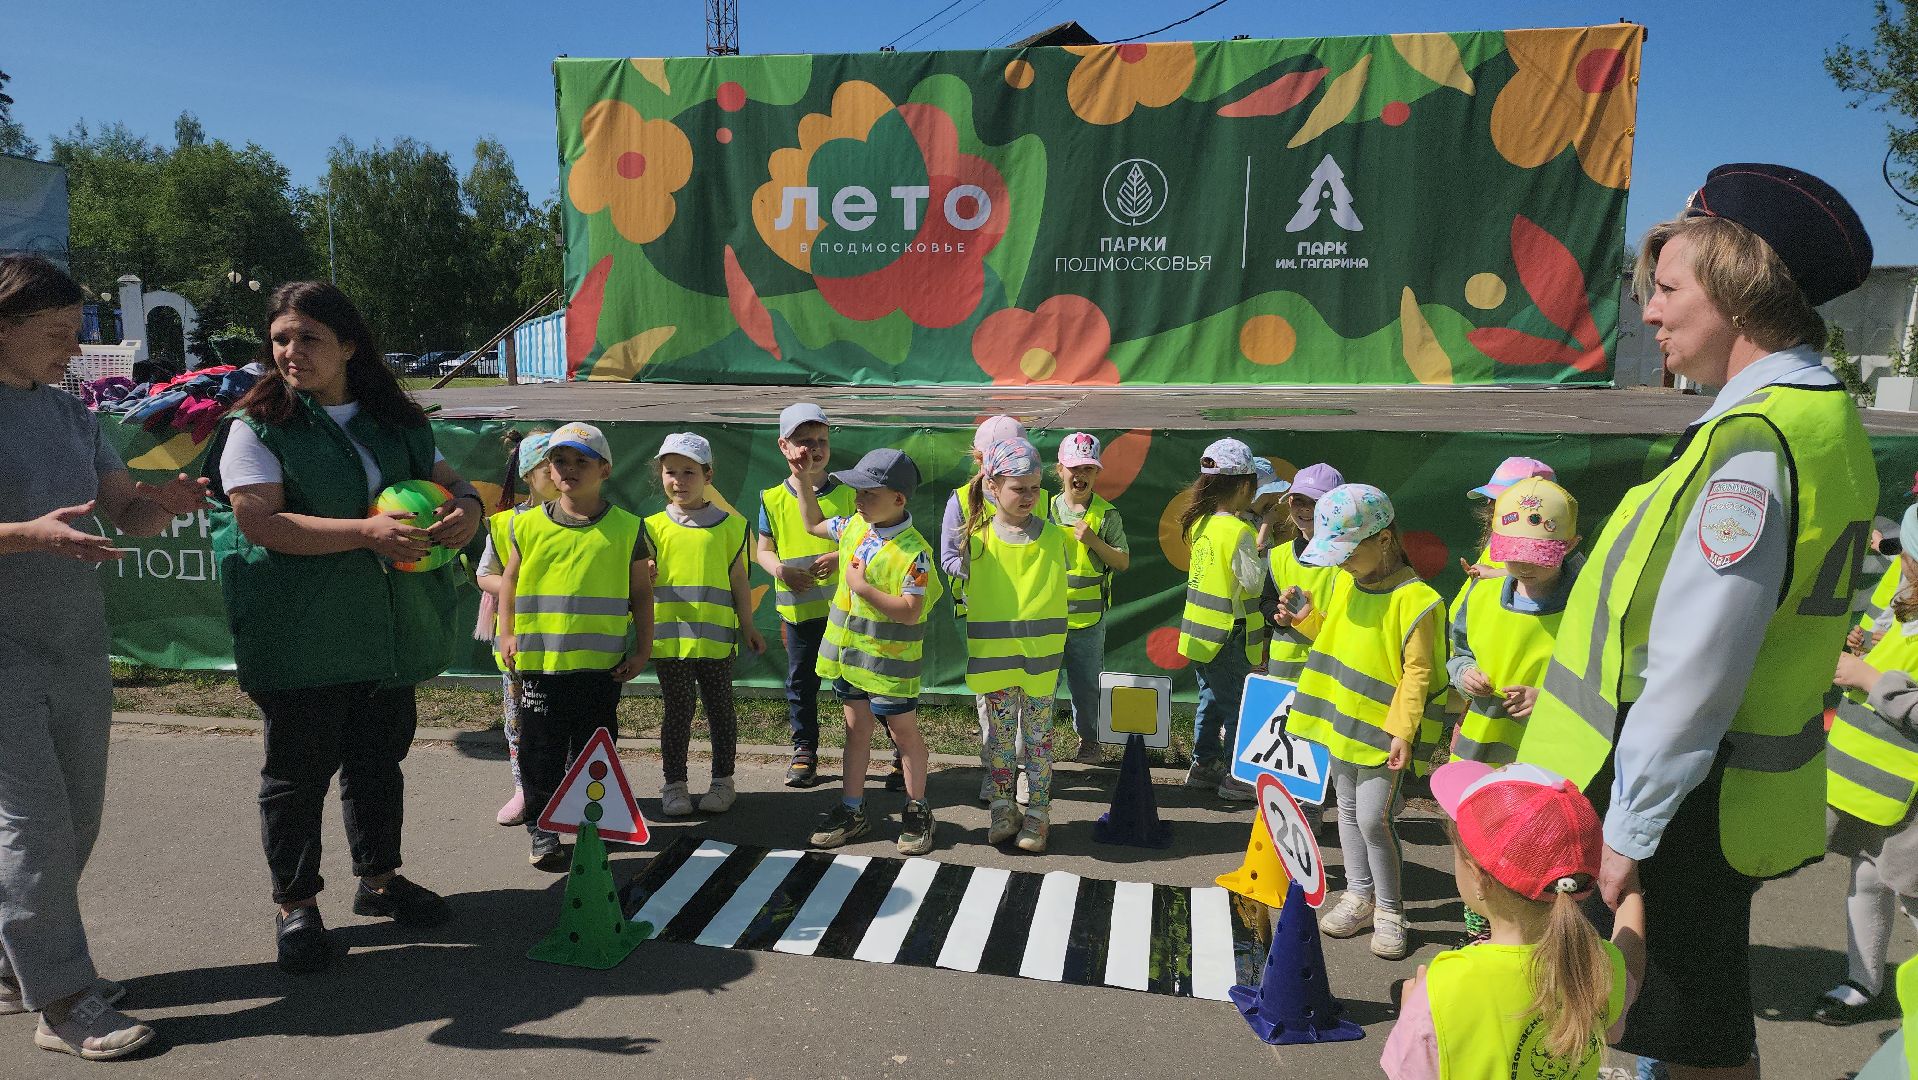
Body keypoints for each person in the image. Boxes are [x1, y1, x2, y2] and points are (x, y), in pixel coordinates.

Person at [1518, 163, 1878, 1077]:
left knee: (1689, 1038)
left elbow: (1697, 665)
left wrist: (1630, 833)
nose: (1649, 312)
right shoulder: (1812, 419)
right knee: (1692, 1029)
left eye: (1668, 289)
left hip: (1680, 798)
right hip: (1707, 791)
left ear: (1736, 289)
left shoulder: (1754, 443)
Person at [207, 281, 483, 974]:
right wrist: (366, 533)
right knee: (296, 779)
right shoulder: (257, 426)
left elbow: (456, 482)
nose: (291, 352)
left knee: (375, 764)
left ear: (350, 346)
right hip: (304, 635)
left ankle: (380, 880)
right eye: (280, 339)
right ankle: (295, 905)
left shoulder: (398, 422)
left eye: (309, 338)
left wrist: (470, 511)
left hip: (385, 635)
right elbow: (260, 521)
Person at [0, 254, 207, 1059]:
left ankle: (19, 963)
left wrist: (160, 504)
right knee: (35, 829)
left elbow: (124, 512)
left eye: (76, 334)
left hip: (76, 650)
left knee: (77, 818)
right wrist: (26, 536)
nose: (72, 351)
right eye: (55, 335)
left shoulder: (74, 415)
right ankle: (64, 1001)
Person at [1381, 760, 1645, 1080]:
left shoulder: (1443, 987)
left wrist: (1413, 1013)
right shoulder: (1601, 966)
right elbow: (1629, 965)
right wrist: (1631, 892)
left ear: (1479, 877)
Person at [1287, 483, 1446, 961]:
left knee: (1376, 821)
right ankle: (1358, 895)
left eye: (1346, 551)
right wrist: (1305, 620)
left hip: (1382, 733)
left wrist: (1402, 731)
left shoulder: (1416, 600)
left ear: (1383, 541)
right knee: (1349, 813)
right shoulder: (1343, 582)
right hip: (1340, 722)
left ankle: (1391, 911)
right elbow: (1335, 636)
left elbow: (1418, 671)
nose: (1339, 562)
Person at [498, 423, 653, 868]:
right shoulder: (525, 525)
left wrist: (642, 650)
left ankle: (590, 823)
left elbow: (641, 595)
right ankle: (542, 829)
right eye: (560, 461)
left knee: (593, 750)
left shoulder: (627, 528)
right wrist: (507, 633)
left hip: (600, 668)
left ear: (604, 470)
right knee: (539, 749)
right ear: (548, 468)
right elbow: (509, 581)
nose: (568, 469)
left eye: (581, 461)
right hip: (540, 665)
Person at [1446, 476, 1585, 945]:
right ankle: (1479, 926)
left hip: (1549, 765)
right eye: (1512, 553)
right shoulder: (1481, 595)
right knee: (1477, 839)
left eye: (1537, 556)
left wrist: (1549, 702)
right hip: (1480, 750)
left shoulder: (1589, 608)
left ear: (1571, 545)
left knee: (1544, 850)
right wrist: (1463, 672)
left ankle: (1546, 935)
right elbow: (1457, 651)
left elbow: (1605, 683)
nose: (1522, 565)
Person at [791, 448, 944, 855]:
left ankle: (917, 810)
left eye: (868, 492)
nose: (858, 499)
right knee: (856, 730)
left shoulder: (915, 554)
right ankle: (852, 809)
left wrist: (862, 588)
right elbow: (811, 522)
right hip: (850, 662)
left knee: (903, 734)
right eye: (856, 491)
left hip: (890, 669)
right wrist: (805, 481)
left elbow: (911, 613)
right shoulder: (857, 526)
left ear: (899, 499)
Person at [1817, 523, 1918, 1025]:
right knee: (1867, 881)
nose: (1898, 559)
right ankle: (1864, 982)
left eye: (1909, 555)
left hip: (1910, 800)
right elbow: (1893, 644)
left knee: (1914, 897)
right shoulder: (1907, 595)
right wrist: (1867, 646)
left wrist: (1871, 680)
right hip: (1873, 788)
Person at [958, 438, 1069, 852]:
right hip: (997, 661)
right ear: (992, 485)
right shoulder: (976, 538)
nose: (1028, 496)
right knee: (1000, 739)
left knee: (1039, 738)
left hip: (1040, 661)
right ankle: (1004, 807)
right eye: (1018, 487)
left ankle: (1038, 812)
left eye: (1034, 488)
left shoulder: (1054, 538)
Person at [645, 432, 765, 816]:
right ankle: (674, 785)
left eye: (689, 472)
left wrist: (748, 626)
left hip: (716, 642)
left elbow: (740, 582)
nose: (678, 480)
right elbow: (637, 584)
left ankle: (722, 782)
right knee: (678, 711)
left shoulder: (732, 528)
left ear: (708, 475)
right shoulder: (649, 527)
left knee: (720, 709)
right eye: (670, 472)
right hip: (669, 641)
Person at [942, 413, 1049, 804]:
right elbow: (949, 558)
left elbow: (1047, 552)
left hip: (1032, 621)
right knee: (993, 700)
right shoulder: (960, 499)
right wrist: (985, 566)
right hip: (986, 618)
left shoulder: (1039, 498)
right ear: (981, 461)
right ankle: (996, 771)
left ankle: (1023, 773)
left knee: (1031, 698)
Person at [756, 403, 856, 788]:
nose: (813, 449)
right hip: (798, 615)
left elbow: (866, 543)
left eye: (821, 441)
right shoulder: (771, 498)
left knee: (857, 683)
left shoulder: (850, 493)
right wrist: (779, 569)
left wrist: (837, 556)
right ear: (783, 446)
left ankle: (886, 750)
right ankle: (804, 750)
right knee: (801, 684)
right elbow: (764, 550)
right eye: (803, 441)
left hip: (846, 614)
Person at [1176, 438, 1268, 803]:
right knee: (1237, 708)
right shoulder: (1241, 531)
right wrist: (1262, 554)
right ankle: (1235, 776)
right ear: (1245, 485)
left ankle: (1203, 765)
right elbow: (1253, 582)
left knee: (1211, 699)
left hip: (1200, 633)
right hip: (1230, 635)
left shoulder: (1201, 524)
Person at [473, 429, 554, 827]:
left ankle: (569, 792)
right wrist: (512, 586)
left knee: (566, 722)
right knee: (518, 719)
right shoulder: (504, 524)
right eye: (548, 466)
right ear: (527, 474)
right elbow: (484, 574)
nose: (559, 474)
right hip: (518, 643)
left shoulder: (586, 521)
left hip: (566, 644)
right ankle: (525, 789)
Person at [1051, 432, 1130, 765]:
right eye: (1073, 467)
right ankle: (1038, 746)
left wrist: (1095, 541)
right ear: (1059, 470)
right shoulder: (1043, 509)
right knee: (1042, 690)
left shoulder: (1106, 514)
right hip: (1046, 619)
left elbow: (1122, 561)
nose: (1080, 475)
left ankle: (1089, 741)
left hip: (1087, 621)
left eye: (1088, 468)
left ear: (1097, 473)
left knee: (1086, 686)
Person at [1262, 462, 1343, 684]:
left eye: (1316, 502)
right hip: (1284, 673)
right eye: (1299, 501)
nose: (1306, 509)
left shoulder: (1347, 559)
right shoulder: (1279, 555)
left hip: (1328, 670)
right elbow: (1266, 600)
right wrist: (1278, 617)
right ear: (1289, 503)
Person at [1458, 456, 1555, 581]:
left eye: (1504, 500)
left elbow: (1543, 571)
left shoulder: (1541, 534)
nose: (1491, 504)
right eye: (1491, 498)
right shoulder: (1498, 528)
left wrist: (1492, 573)